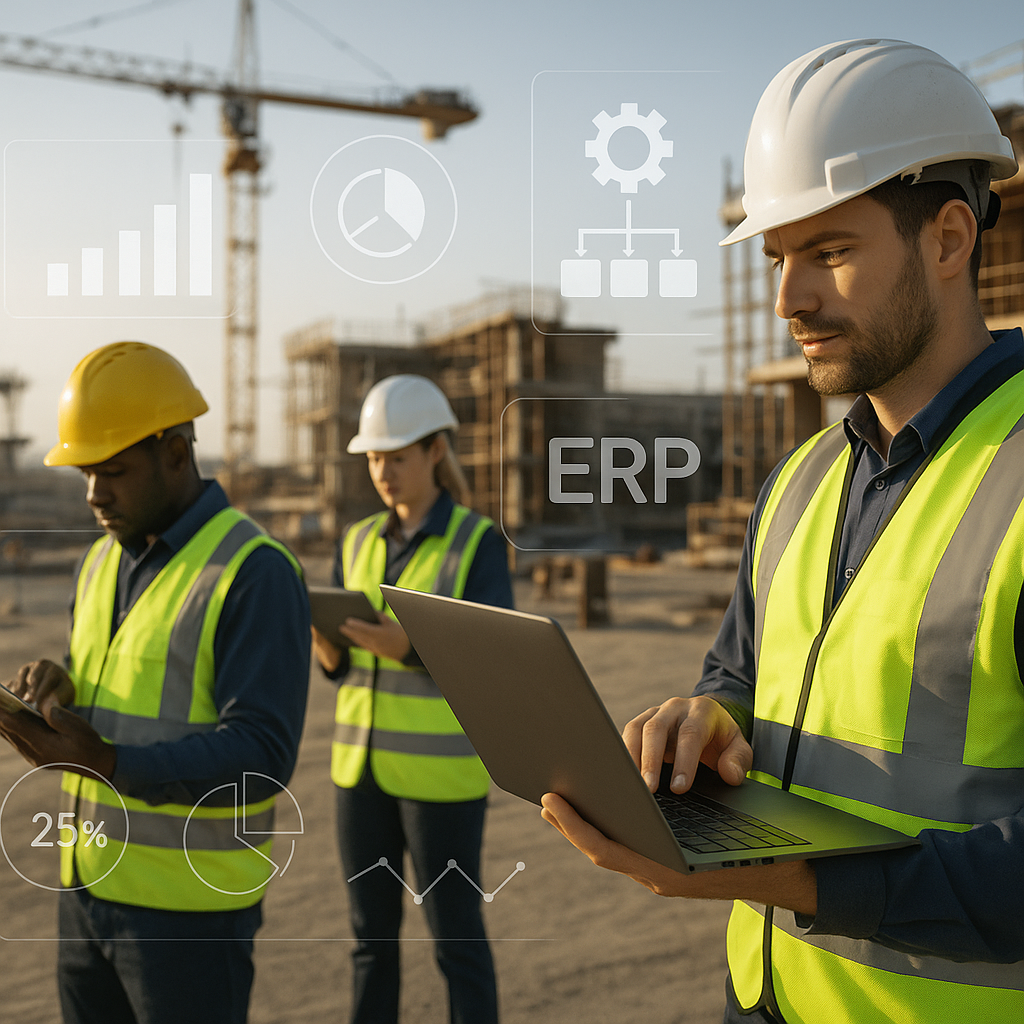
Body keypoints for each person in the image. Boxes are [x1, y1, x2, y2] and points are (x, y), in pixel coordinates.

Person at [539, 38, 1024, 1023]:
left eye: (830, 253)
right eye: (777, 257)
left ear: (947, 239)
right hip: (765, 996)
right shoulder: (802, 479)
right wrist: (707, 721)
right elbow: (741, 678)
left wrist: (804, 881)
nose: (786, 300)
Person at [0, 341, 310, 1024]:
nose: (93, 494)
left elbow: (262, 755)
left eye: (111, 471)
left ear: (175, 452)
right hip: (85, 893)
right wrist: (61, 684)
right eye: (85, 473)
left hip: (189, 919)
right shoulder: (100, 562)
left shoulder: (254, 571)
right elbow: (131, 681)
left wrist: (111, 764)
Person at [312, 373, 512, 1024]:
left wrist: (412, 649)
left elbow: (494, 662)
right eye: (373, 458)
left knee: (455, 940)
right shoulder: (354, 542)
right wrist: (327, 644)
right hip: (358, 775)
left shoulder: (476, 544)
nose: (383, 472)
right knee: (370, 942)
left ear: (435, 451)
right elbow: (343, 673)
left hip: (439, 783)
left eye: (396, 457)